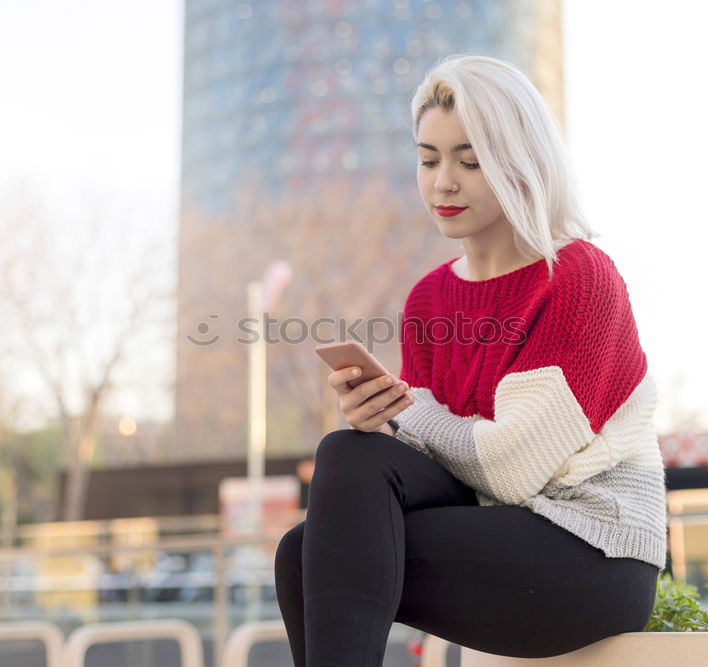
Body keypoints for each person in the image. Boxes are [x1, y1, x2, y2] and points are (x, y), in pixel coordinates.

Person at [274, 54, 667, 666]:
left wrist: (413, 414)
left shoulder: (577, 278)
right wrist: (384, 419)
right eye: (429, 160)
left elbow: (513, 467)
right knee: (331, 486)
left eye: (471, 161)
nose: (443, 183)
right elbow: (442, 473)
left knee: (324, 542)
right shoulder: (428, 300)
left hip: (595, 552)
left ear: (521, 163)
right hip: (494, 532)